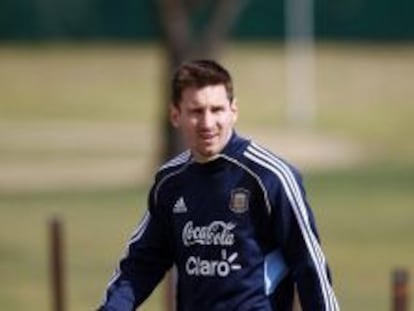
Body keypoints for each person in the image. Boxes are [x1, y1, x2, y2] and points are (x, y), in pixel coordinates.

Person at [98, 59, 339, 310]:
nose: (207, 123)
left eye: (217, 110)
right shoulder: (170, 182)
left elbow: (310, 266)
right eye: (196, 111)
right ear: (175, 115)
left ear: (233, 111)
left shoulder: (271, 177)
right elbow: (143, 262)